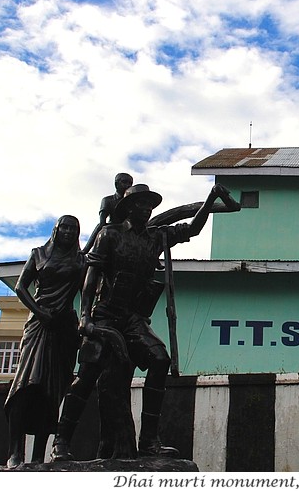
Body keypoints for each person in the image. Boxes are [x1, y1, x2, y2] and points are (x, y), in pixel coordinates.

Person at [50, 183, 232, 461]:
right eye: (141, 205)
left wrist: (210, 199)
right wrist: (85, 316)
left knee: (159, 359)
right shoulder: (109, 235)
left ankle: (149, 441)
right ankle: (61, 441)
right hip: (105, 316)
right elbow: (91, 277)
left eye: (150, 206)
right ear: (129, 209)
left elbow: (192, 229)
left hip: (132, 318)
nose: (147, 210)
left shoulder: (155, 237)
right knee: (87, 376)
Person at [4, 215, 86, 468]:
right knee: (26, 386)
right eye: (65, 226)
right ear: (56, 229)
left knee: (51, 393)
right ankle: (15, 451)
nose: (68, 231)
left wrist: (84, 320)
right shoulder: (39, 254)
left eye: (73, 228)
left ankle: (39, 455)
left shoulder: (81, 261)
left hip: (64, 330)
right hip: (39, 325)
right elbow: (20, 287)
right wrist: (39, 312)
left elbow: (88, 293)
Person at [81, 172, 134, 254]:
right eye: (124, 182)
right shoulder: (107, 200)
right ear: (116, 184)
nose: (127, 185)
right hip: (112, 228)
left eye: (130, 183)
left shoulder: (132, 202)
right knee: (100, 227)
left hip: (129, 229)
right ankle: (86, 250)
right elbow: (102, 221)